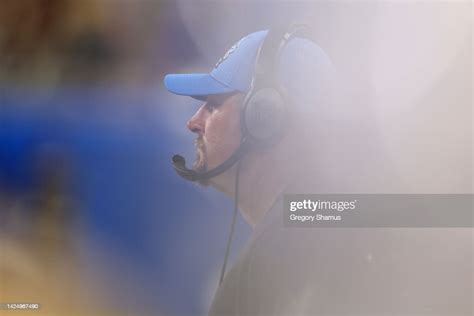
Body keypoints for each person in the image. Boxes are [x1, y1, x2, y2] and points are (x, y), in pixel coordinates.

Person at [164, 28, 471, 316]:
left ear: (264, 117)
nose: (193, 121)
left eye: (212, 105)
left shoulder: (263, 273)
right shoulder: (355, 211)